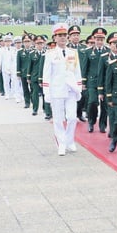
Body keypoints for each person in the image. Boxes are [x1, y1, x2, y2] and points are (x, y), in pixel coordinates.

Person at [42, 23, 83, 156]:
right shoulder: (50, 54)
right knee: (58, 119)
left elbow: (77, 72)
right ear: (55, 37)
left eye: (64, 35)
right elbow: (46, 74)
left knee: (72, 118)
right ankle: (61, 143)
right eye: (60, 35)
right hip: (57, 90)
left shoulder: (73, 52)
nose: (63, 38)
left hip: (71, 90)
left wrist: (79, 89)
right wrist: (46, 92)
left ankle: (69, 140)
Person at [82, 27, 110, 133]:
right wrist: (84, 82)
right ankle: (91, 122)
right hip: (92, 82)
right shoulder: (88, 52)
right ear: (94, 39)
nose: (99, 41)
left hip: (104, 82)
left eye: (101, 39)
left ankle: (103, 124)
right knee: (92, 102)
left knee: (105, 104)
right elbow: (85, 67)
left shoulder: (108, 52)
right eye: (97, 39)